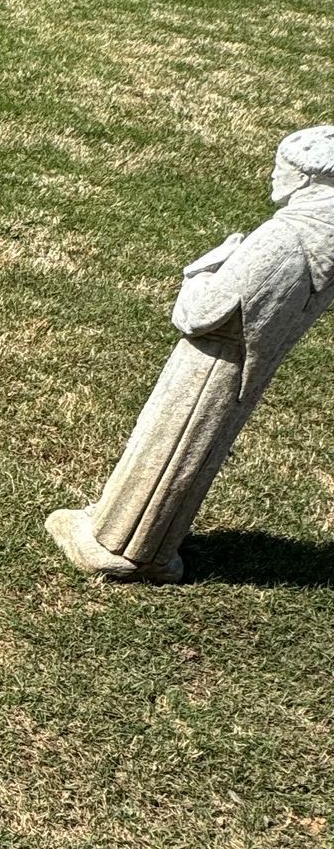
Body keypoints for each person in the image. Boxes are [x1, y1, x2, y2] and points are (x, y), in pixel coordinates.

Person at [46, 125, 334, 583]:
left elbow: (201, 313)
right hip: (240, 368)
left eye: (282, 169)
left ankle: (121, 546)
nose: (274, 177)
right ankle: (143, 540)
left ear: (304, 179)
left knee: (170, 443)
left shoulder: (283, 239)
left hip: (210, 363)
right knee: (192, 450)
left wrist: (200, 270)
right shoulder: (326, 240)